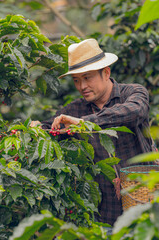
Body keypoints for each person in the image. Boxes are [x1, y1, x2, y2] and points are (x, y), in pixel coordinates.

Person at [31, 38, 153, 225]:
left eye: (87, 78)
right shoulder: (74, 110)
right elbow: (52, 128)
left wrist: (85, 123)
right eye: (77, 80)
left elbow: (134, 111)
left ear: (106, 72)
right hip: (106, 214)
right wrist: (36, 129)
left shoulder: (133, 93)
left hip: (146, 200)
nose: (82, 87)